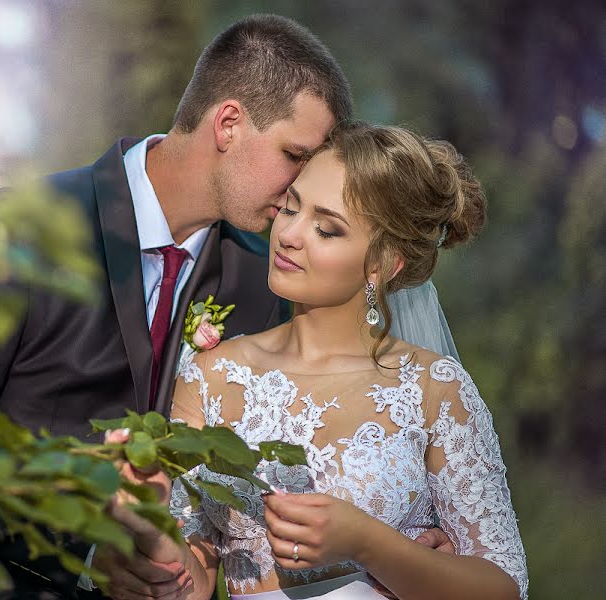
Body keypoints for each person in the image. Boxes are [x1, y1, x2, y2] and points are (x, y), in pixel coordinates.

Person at [0, 15, 453, 600]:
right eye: (293, 155)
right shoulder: (19, 228)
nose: (295, 193)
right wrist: (83, 547)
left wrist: (394, 544)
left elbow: (256, 488)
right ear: (228, 123)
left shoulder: (261, 285)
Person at [159, 121, 529, 599]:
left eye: (326, 228)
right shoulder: (210, 378)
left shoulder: (434, 389)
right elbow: (190, 579)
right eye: (290, 207)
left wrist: (369, 543)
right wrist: (145, 528)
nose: (289, 234)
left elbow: (505, 586)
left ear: (384, 263)